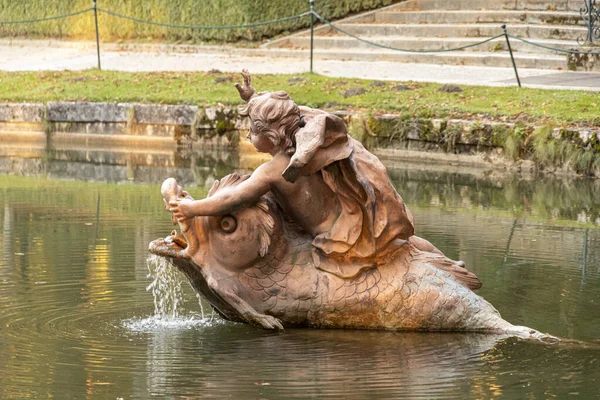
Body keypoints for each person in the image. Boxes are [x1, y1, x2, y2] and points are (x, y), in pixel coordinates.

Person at [170, 71, 478, 288]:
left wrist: (193, 208)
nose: (248, 136)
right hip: (352, 221)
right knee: (405, 243)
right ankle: (447, 263)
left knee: (402, 249)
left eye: (253, 131)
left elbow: (235, 198)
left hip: (334, 240)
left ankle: (445, 269)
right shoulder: (309, 148)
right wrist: (253, 99)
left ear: (273, 135)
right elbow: (292, 112)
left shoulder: (274, 170)